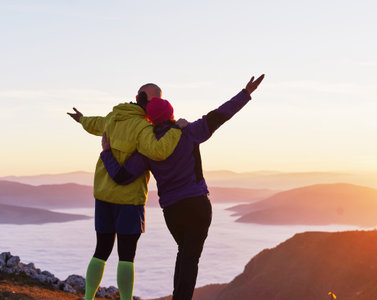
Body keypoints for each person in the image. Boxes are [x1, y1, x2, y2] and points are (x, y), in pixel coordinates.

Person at [100, 74, 264, 300]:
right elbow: (221, 114)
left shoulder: (147, 149)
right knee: (190, 258)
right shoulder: (189, 132)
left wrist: (107, 153)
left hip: (172, 211)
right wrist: (245, 94)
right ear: (171, 113)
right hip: (198, 205)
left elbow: (121, 176)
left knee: (184, 254)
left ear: (150, 119)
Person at [67, 83, 183, 300]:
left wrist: (81, 119)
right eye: (155, 100)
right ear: (147, 101)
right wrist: (176, 129)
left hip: (103, 195)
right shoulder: (142, 128)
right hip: (129, 200)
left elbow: (96, 123)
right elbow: (159, 151)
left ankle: (89, 297)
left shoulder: (113, 117)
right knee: (126, 256)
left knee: (101, 250)